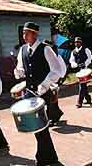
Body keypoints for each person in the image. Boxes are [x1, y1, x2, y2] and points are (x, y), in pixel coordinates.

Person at [14, 22, 61, 166]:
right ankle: (50, 157)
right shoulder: (22, 50)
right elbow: (21, 68)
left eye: (26, 33)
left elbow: (57, 70)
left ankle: (43, 158)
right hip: (29, 94)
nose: (23, 36)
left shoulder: (45, 49)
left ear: (35, 34)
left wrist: (45, 84)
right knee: (37, 127)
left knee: (40, 126)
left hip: (42, 93)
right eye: (23, 33)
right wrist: (19, 72)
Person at [43, 40, 65, 126]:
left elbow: (62, 71)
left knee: (51, 101)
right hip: (46, 81)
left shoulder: (57, 57)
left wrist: (57, 81)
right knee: (51, 101)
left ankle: (51, 118)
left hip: (54, 81)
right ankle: (55, 115)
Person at [69, 37, 92, 108]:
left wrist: (85, 63)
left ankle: (79, 102)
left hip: (86, 70)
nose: (77, 43)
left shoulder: (86, 49)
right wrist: (75, 65)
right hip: (79, 71)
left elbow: (90, 57)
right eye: (76, 42)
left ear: (81, 42)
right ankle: (88, 98)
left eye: (78, 42)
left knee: (82, 85)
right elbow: (71, 61)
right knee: (83, 85)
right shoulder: (73, 52)